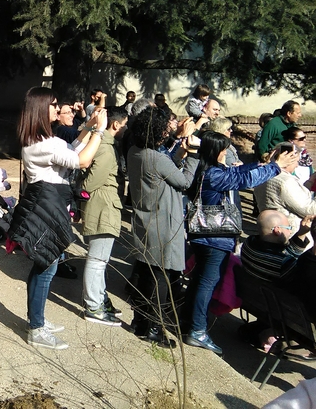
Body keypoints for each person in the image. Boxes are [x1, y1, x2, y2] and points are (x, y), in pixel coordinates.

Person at [7, 87, 106, 350]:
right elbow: (82, 160)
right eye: (53, 105)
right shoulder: (41, 144)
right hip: (46, 204)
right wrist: (99, 130)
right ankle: (36, 327)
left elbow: (71, 147)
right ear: (41, 109)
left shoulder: (44, 139)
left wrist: (88, 126)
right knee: (46, 265)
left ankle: (36, 320)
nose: (58, 108)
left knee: (46, 264)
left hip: (51, 201)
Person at [182, 131, 295, 355]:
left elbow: (238, 171)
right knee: (206, 282)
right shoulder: (214, 174)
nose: (227, 152)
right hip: (214, 238)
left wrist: (269, 163)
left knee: (200, 280)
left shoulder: (208, 170)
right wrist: (275, 167)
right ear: (216, 151)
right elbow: (242, 179)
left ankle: (189, 322)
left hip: (206, 237)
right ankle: (197, 330)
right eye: (224, 148)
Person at [126, 107, 199, 348]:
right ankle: (155, 329)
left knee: (145, 273)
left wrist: (179, 151)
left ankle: (139, 322)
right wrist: (193, 154)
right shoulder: (156, 158)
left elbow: (165, 169)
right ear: (157, 133)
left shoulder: (136, 152)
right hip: (163, 225)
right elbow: (184, 182)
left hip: (146, 221)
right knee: (161, 279)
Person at [80, 106, 128, 326]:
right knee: (98, 261)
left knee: (100, 260)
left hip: (102, 206)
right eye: (124, 124)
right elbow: (90, 183)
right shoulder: (106, 149)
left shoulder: (103, 144)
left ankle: (98, 300)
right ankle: (93, 306)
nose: (126, 128)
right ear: (116, 125)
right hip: (103, 206)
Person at [254, 142, 316, 231]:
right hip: (289, 232)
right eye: (297, 161)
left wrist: (311, 180)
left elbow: (294, 198)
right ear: (289, 159)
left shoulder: (263, 175)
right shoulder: (285, 181)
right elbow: (310, 210)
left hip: (271, 227)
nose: (297, 165)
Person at [241, 210, 311, 284]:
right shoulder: (282, 265)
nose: (290, 232)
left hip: (254, 291)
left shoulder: (249, 243)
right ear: (277, 230)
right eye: (289, 228)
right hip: (274, 294)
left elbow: (286, 254)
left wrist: (301, 233)